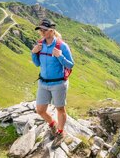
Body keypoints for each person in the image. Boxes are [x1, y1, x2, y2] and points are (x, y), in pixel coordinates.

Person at [31, 18, 74, 148]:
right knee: (40, 110)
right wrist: (33, 53)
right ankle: (52, 124)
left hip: (58, 84)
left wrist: (60, 56)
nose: (42, 32)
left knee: (60, 108)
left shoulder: (61, 46)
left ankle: (60, 132)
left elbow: (70, 64)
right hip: (43, 83)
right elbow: (37, 63)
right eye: (40, 30)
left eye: (45, 30)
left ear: (52, 30)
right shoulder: (40, 45)